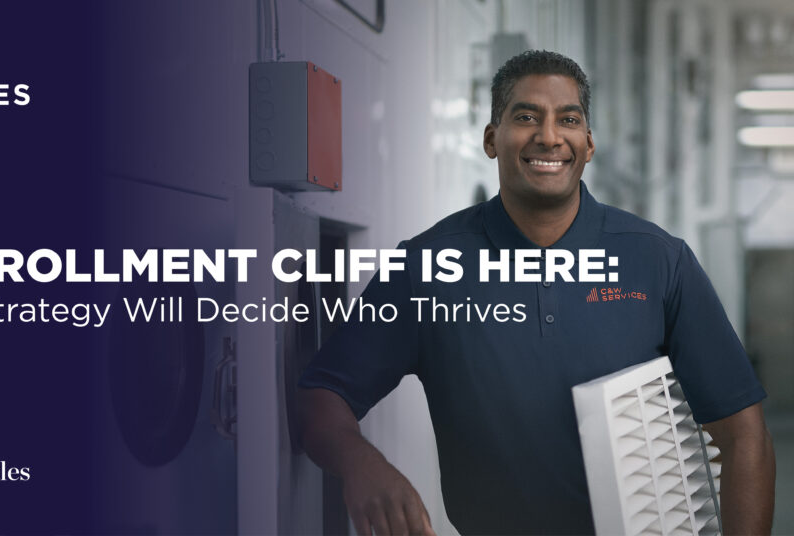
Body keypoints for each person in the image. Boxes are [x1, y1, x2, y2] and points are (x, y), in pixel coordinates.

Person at [298, 50, 775, 535]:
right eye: (526, 117)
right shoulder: (425, 266)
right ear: (491, 138)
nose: (549, 136)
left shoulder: (658, 260)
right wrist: (362, 464)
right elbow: (323, 394)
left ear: (588, 144)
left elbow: (742, 431)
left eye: (567, 119)